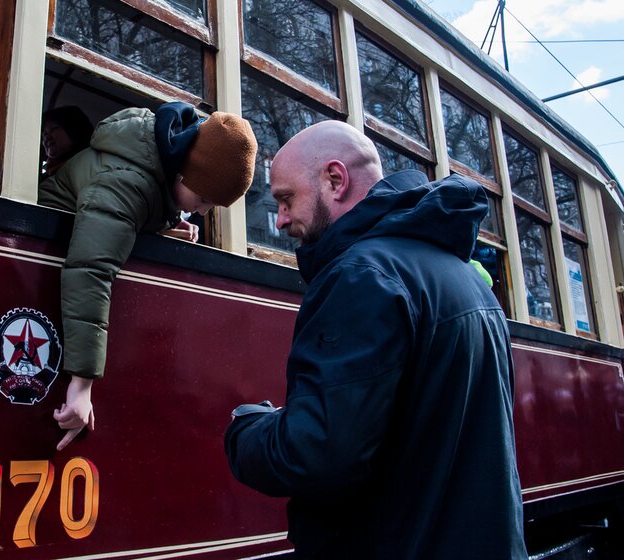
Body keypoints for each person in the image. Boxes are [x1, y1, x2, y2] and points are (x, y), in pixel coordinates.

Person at [223, 121, 527, 559]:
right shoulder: (464, 277)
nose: (282, 219)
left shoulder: (361, 277)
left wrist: (246, 429)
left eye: (287, 199)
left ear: (335, 179)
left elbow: (318, 454)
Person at [39, 101, 257, 451]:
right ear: (183, 174)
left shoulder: (151, 166)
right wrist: (81, 385)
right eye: (203, 198)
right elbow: (91, 271)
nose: (201, 211)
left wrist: (163, 225)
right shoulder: (127, 180)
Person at [39, 106, 94, 181]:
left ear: (74, 131)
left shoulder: (88, 169)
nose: (47, 137)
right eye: (44, 133)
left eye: (54, 129)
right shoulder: (46, 175)